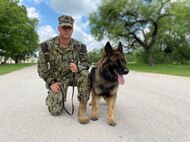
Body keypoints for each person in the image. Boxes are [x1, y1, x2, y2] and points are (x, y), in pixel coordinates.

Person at [37, 15, 91, 124]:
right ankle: (54, 98)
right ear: (58, 28)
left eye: (69, 28)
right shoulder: (47, 46)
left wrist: (78, 67)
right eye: (64, 27)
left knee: (85, 74)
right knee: (55, 111)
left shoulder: (79, 46)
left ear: (72, 29)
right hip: (57, 79)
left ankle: (82, 108)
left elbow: (87, 62)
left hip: (73, 76)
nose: (66, 30)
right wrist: (51, 82)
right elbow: (41, 67)